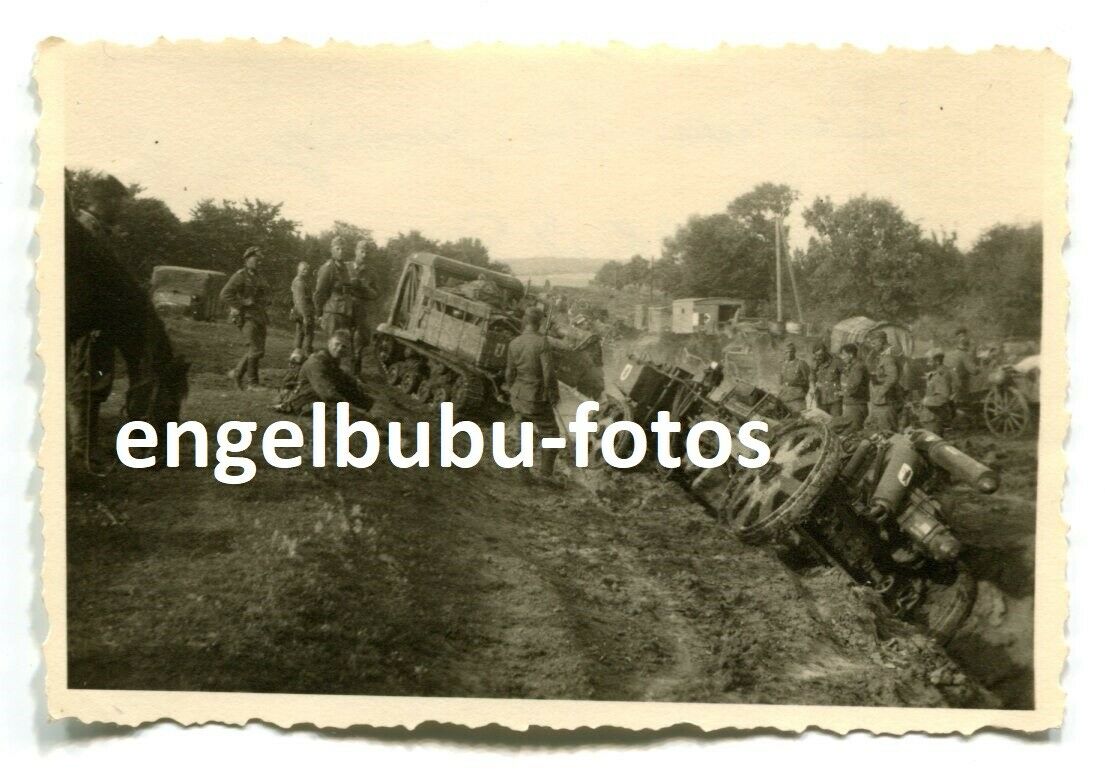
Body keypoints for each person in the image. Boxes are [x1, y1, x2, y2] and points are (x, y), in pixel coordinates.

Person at [505, 307, 561, 483]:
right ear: (538, 323)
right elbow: (549, 373)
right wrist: (553, 395)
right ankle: (546, 475)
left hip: (519, 396)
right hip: (536, 397)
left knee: (525, 432)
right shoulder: (542, 342)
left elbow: (509, 373)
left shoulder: (514, 342)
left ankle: (523, 472)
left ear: (524, 321)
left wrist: (513, 389)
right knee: (551, 433)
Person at [275, 330, 375, 416]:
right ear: (329, 344)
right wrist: (352, 408)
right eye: (337, 344)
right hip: (304, 402)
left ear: (348, 350)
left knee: (360, 398)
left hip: (317, 399)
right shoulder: (317, 362)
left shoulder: (331, 362)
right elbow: (327, 393)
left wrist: (365, 398)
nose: (339, 348)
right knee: (353, 416)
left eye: (344, 346)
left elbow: (344, 380)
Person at [220, 246, 271, 391]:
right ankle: (252, 384)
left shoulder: (259, 276)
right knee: (255, 349)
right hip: (246, 316)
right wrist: (242, 303)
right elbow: (225, 294)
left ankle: (237, 374)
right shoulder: (240, 276)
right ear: (247, 259)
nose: (259, 262)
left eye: (260, 260)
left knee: (258, 350)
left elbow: (264, 293)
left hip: (259, 316)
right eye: (256, 259)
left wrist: (267, 300)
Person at [347, 239, 380, 375]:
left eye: (367, 252)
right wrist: (350, 284)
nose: (364, 255)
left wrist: (364, 288)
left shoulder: (371, 273)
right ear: (356, 251)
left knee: (358, 342)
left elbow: (376, 293)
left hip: (361, 310)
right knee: (339, 339)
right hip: (344, 308)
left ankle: (355, 375)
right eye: (362, 251)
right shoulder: (346, 267)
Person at [314, 236, 354, 340]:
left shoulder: (345, 268)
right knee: (332, 346)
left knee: (341, 347)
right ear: (332, 250)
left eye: (343, 249)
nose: (341, 252)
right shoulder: (328, 268)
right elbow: (319, 293)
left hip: (345, 313)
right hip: (332, 314)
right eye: (338, 249)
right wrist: (319, 314)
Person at [75, 174, 128, 242]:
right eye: (120, 204)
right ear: (112, 200)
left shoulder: (91, 222)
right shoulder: (87, 226)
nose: (122, 211)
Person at [867, 331, 902, 431]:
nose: (872, 346)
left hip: (888, 397)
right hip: (886, 396)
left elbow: (892, 377)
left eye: (873, 343)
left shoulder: (889, 354)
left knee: (887, 428)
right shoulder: (884, 354)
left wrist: (880, 392)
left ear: (880, 341)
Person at [834, 343, 869, 434]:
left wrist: (842, 393)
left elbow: (853, 387)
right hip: (852, 404)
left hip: (856, 405)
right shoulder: (853, 366)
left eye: (844, 355)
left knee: (852, 431)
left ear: (851, 355)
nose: (842, 358)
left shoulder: (858, 367)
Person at [920, 347, 955, 436]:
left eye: (929, 361)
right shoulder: (944, 371)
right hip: (934, 416)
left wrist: (925, 401)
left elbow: (944, 396)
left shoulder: (940, 375)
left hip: (934, 418)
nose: (928, 363)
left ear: (937, 361)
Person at [944, 326, 979, 404]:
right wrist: (980, 368)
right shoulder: (963, 354)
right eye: (965, 336)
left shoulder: (948, 354)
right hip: (960, 388)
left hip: (948, 386)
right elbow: (974, 371)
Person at [290, 261, 315, 358]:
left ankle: (297, 357)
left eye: (307, 269)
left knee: (300, 334)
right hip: (303, 312)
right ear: (298, 270)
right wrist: (305, 316)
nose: (306, 271)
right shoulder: (299, 282)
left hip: (304, 312)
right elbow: (300, 301)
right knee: (308, 335)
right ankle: (305, 356)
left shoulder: (303, 281)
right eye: (303, 269)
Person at [810, 341, 842, 416]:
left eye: (820, 355)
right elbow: (812, 377)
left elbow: (848, 375)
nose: (818, 358)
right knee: (822, 423)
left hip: (835, 399)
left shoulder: (836, 362)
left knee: (835, 422)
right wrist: (812, 387)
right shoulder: (814, 363)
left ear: (825, 353)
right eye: (816, 355)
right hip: (821, 398)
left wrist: (843, 390)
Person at [778, 341, 810, 414]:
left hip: (797, 399)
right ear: (783, 353)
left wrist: (800, 393)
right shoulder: (782, 365)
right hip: (784, 398)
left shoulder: (801, 364)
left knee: (798, 420)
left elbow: (807, 382)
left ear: (794, 352)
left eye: (791, 352)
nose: (789, 354)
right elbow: (781, 382)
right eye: (786, 352)